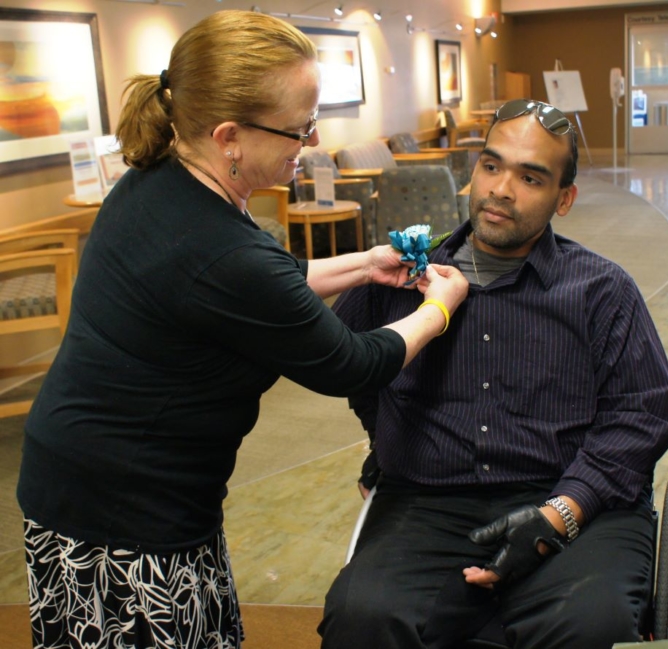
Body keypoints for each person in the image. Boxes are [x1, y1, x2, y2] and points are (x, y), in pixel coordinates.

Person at [16, 11, 468, 649]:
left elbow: (264, 283)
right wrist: (439, 308)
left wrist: (365, 265)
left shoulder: (164, 181)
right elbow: (353, 362)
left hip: (95, 481)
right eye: (299, 128)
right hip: (121, 514)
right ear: (229, 135)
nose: (309, 141)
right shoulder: (215, 248)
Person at [319, 99, 668, 649]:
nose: (501, 189)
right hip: (431, 502)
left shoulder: (601, 292)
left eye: (530, 177)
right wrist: (393, 443)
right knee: (362, 618)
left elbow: (642, 416)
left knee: (591, 627)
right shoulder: (398, 282)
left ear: (564, 199)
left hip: (572, 502)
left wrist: (561, 513)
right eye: (492, 166)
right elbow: (352, 372)